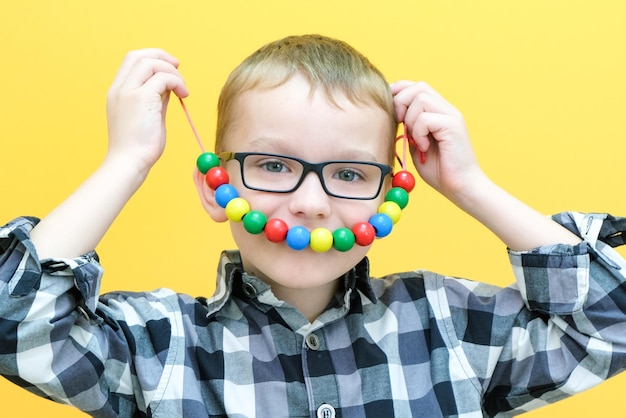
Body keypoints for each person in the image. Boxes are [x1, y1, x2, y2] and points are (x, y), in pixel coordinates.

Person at [0, 34, 625, 418]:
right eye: (273, 165)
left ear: (390, 193)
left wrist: (472, 186)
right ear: (216, 187)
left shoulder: (453, 329)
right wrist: (124, 163)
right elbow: (12, 325)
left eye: (351, 174)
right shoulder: (157, 347)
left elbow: (612, 322)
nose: (311, 203)